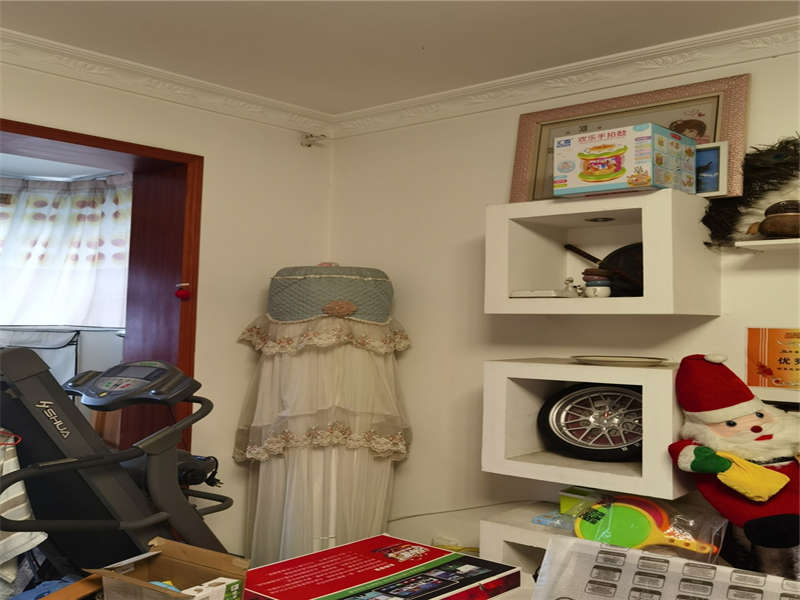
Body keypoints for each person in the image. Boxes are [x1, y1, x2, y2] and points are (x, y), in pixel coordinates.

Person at [668, 353, 800, 578]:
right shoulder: (712, 448)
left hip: (781, 503)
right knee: (772, 548)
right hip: (760, 517)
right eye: (730, 423)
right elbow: (685, 454)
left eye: (759, 416)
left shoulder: (785, 437)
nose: (756, 427)